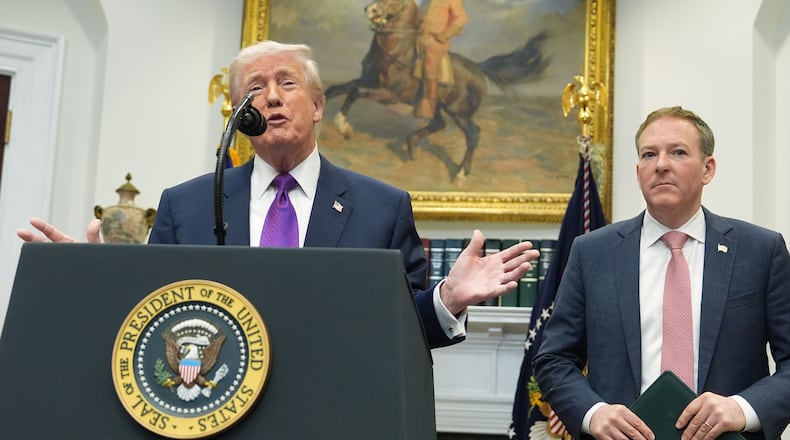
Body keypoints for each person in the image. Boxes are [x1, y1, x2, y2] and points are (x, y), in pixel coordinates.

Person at [18, 40, 538, 350]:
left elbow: (404, 335)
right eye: (254, 87)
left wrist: (448, 299)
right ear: (239, 115)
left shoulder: (383, 207)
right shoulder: (188, 204)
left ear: (316, 106)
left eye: (286, 83)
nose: (269, 96)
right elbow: (159, 317)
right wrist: (88, 281)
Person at [533, 106, 790, 440]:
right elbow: (554, 358)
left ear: (707, 169)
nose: (662, 164)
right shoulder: (592, 252)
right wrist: (593, 413)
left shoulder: (760, 251)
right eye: (649, 154)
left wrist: (743, 408)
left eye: (678, 152)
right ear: (638, 170)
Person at [414, 0, 468, 118]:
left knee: (430, 65)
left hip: (436, 41)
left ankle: (429, 106)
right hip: (419, 37)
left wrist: (444, 35)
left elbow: (461, 19)